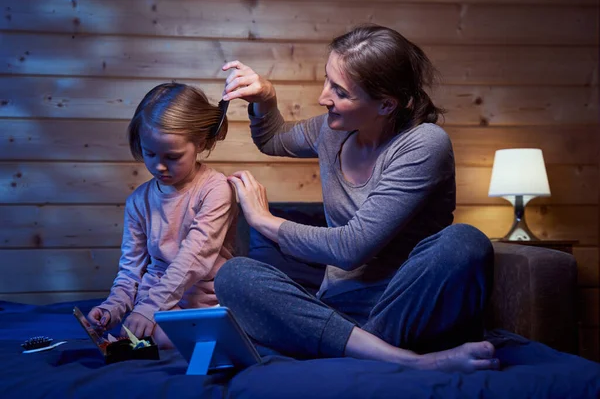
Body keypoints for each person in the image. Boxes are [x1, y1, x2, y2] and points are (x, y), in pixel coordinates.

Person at [214, 24, 500, 373]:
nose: (324, 97)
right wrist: (266, 98)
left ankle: (361, 350)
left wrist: (263, 220)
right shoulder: (331, 132)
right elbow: (274, 139)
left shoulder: (425, 144)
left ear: (385, 105)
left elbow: (351, 249)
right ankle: (397, 359)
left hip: (403, 309)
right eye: (326, 80)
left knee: (465, 241)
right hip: (337, 314)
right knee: (233, 276)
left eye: (340, 91)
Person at [87, 83, 237, 348]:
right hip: (156, 301)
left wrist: (149, 310)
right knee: (137, 333)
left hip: (201, 302)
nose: (158, 165)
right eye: (150, 153)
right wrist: (114, 307)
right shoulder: (138, 202)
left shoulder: (215, 190)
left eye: (172, 156)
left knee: (161, 334)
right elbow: (131, 271)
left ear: (200, 143)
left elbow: (193, 258)